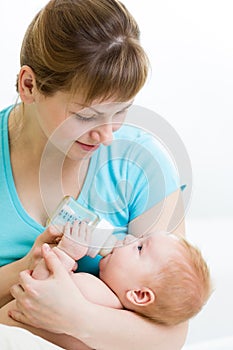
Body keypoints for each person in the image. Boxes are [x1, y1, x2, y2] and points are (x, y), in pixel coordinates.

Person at [0, 0, 189, 349]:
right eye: (86, 116)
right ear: (29, 85)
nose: (107, 135)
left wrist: (73, 316)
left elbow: (172, 332)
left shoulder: (142, 164)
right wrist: (29, 265)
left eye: (121, 111)